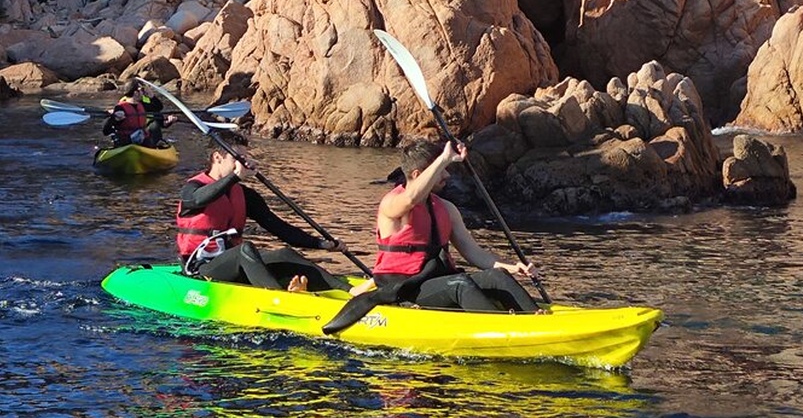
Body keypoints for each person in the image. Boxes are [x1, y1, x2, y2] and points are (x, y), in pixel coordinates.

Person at [357, 139, 542, 313]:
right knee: (459, 284)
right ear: (418, 175)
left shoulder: (447, 208)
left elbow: (474, 253)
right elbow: (411, 198)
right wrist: (443, 158)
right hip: (401, 285)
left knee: (497, 276)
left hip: (436, 280)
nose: (447, 175)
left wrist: (513, 267)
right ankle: (502, 331)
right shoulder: (392, 203)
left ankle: (538, 316)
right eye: (442, 170)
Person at [176, 130, 351, 292]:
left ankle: (347, 290)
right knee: (245, 250)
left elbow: (278, 227)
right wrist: (235, 176)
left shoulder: (244, 194)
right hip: (200, 267)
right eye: (237, 158)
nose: (242, 163)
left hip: (233, 264)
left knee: (284, 253)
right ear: (217, 158)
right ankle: (280, 297)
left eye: (245, 158)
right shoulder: (193, 188)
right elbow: (197, 199)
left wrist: (320, 243)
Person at [102, 80, 177, 148]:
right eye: (141, 90)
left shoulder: (141, 105)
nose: (143, 93)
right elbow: (106, 131)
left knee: (153, 131)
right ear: (136, 93)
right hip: (125, 142)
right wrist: (113, 119)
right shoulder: (120, 108)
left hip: (141, 140)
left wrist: (152, 96)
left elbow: (157, 107)